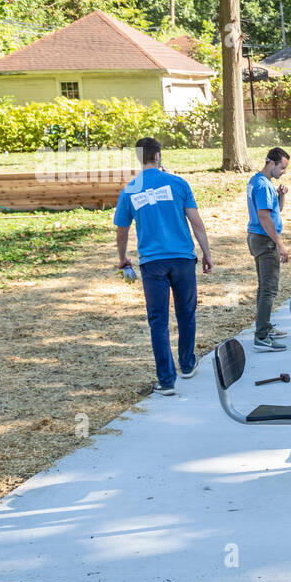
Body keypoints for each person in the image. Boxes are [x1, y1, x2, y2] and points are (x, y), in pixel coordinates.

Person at [114, 137, 213, 396]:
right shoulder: (179, 183)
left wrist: (122, 258)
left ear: (139, 158)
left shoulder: (129, 190)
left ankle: (167, 381)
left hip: (152, 263)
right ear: (158, 156)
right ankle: (187, 363)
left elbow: (122, 230)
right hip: (182, 259)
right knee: (186, 313)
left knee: (158, 321)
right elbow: (196, 222)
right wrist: (206, 253)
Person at [246, 147, 290, 352]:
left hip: (258, 238)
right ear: (271, 163)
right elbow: (264, 217)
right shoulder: (263, 186)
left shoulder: (259, 181)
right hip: (264, 240)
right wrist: (280, 243)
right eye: (282, 168)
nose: (283, 172)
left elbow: (273, 211)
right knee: (269, 289)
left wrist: (281, 197)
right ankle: (262, 335)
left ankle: (265, 326)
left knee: (264, 287)